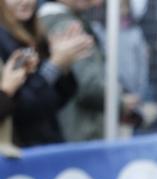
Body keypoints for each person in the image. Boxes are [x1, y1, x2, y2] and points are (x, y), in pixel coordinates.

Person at [40, 0, 140, 142]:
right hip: (79, 131)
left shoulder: (58, 21)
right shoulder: (66, 25)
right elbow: (87, 85)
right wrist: (120, 103)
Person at [0, 0, 91, 147]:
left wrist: (63, 65)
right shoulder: (4, 39)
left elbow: (54, 101)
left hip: (45, 142)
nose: (26, 1)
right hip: (20, 150)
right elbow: (22, 108)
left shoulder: (35, 33)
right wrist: (54, 65)